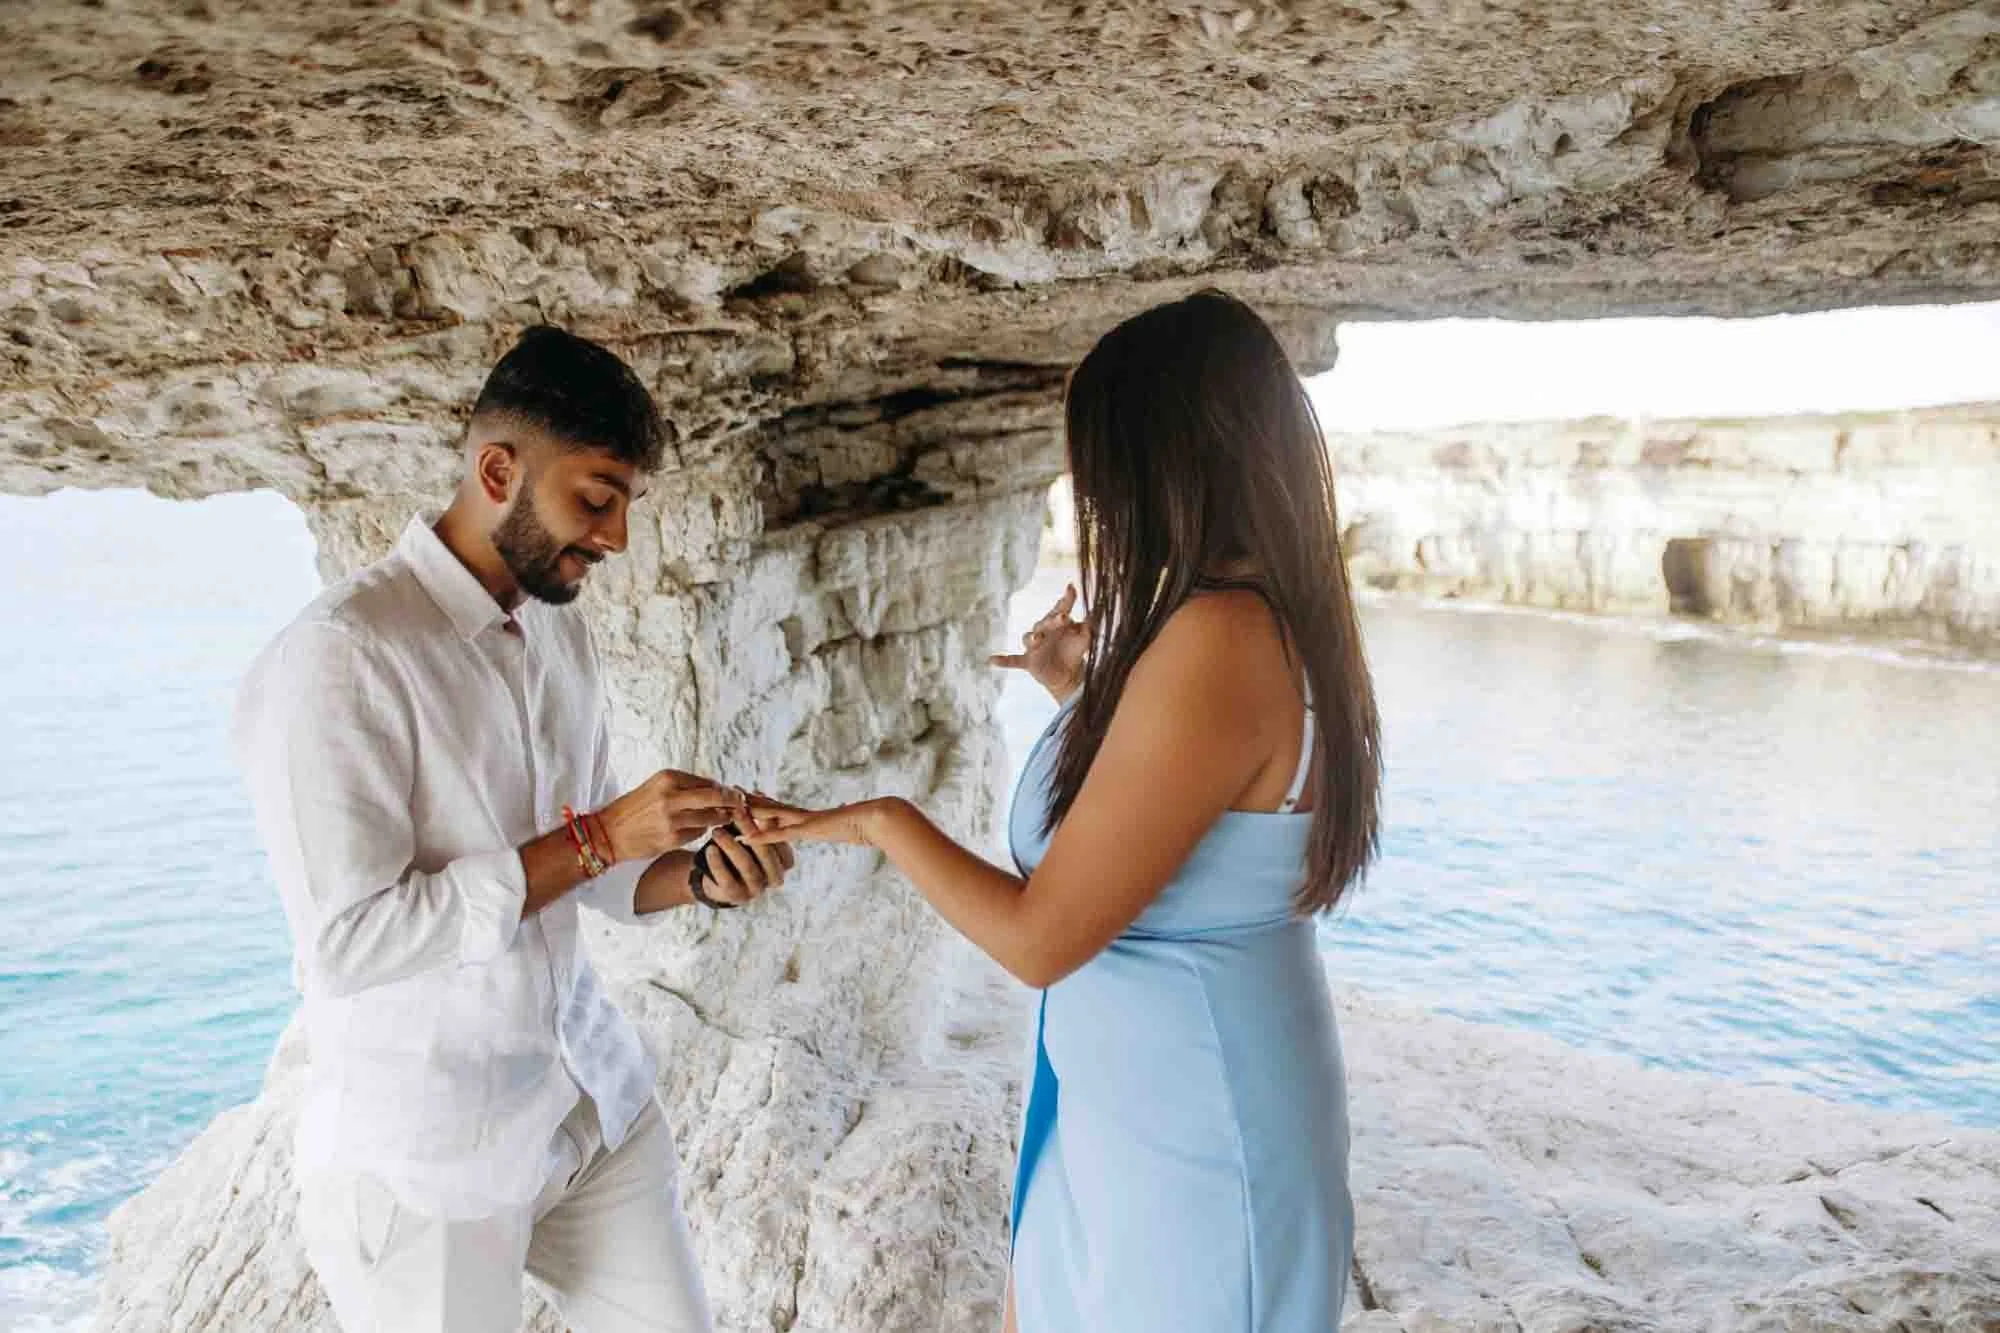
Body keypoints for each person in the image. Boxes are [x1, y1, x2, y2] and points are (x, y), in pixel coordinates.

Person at [745, 290, 1383, 1332]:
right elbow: (1183, 821)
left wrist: (880, 820)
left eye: (1094, 456)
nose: (1085, 488)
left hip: (1194, 1126)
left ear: (1157, 458)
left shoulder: (1218, 636)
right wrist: (1079, 696)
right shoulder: (1247, 617)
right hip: (1142, 1100)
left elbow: (1042, 938)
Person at [233, 325, 794, 1333]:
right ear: (498, 469)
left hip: (588, 1101)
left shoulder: (554, 625)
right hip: (429, 1168)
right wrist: (600, 838)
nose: (616, 536)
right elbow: (351, 942)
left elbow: (596, 873)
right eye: (595, 497)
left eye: (624, 503)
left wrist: (702, 875)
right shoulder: (342, 657)